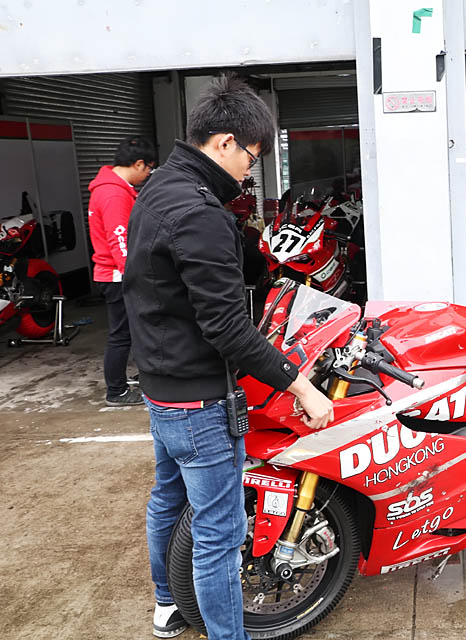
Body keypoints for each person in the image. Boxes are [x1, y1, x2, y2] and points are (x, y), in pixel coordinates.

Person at [124, 75, 335, 639]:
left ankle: (168, 605)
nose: (251, 170)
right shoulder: (199, 212)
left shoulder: (157, 190)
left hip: (162, 389)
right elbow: (226, 327)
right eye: (252, 156)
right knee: (220, 532)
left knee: (168, 501)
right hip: (197, 401)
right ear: (222, 142)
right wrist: (301, 385)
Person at [88, 137, 157, 406]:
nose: (149, 174)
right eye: (148, 168)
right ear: (138, 164)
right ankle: (116, 391)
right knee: (121, 335)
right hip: (118, 276)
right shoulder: (114, 194)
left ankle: (137, 378)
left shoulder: (113, 188)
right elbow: (120, 241)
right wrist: (137, 279)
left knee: (133, 330)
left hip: (116, 274)